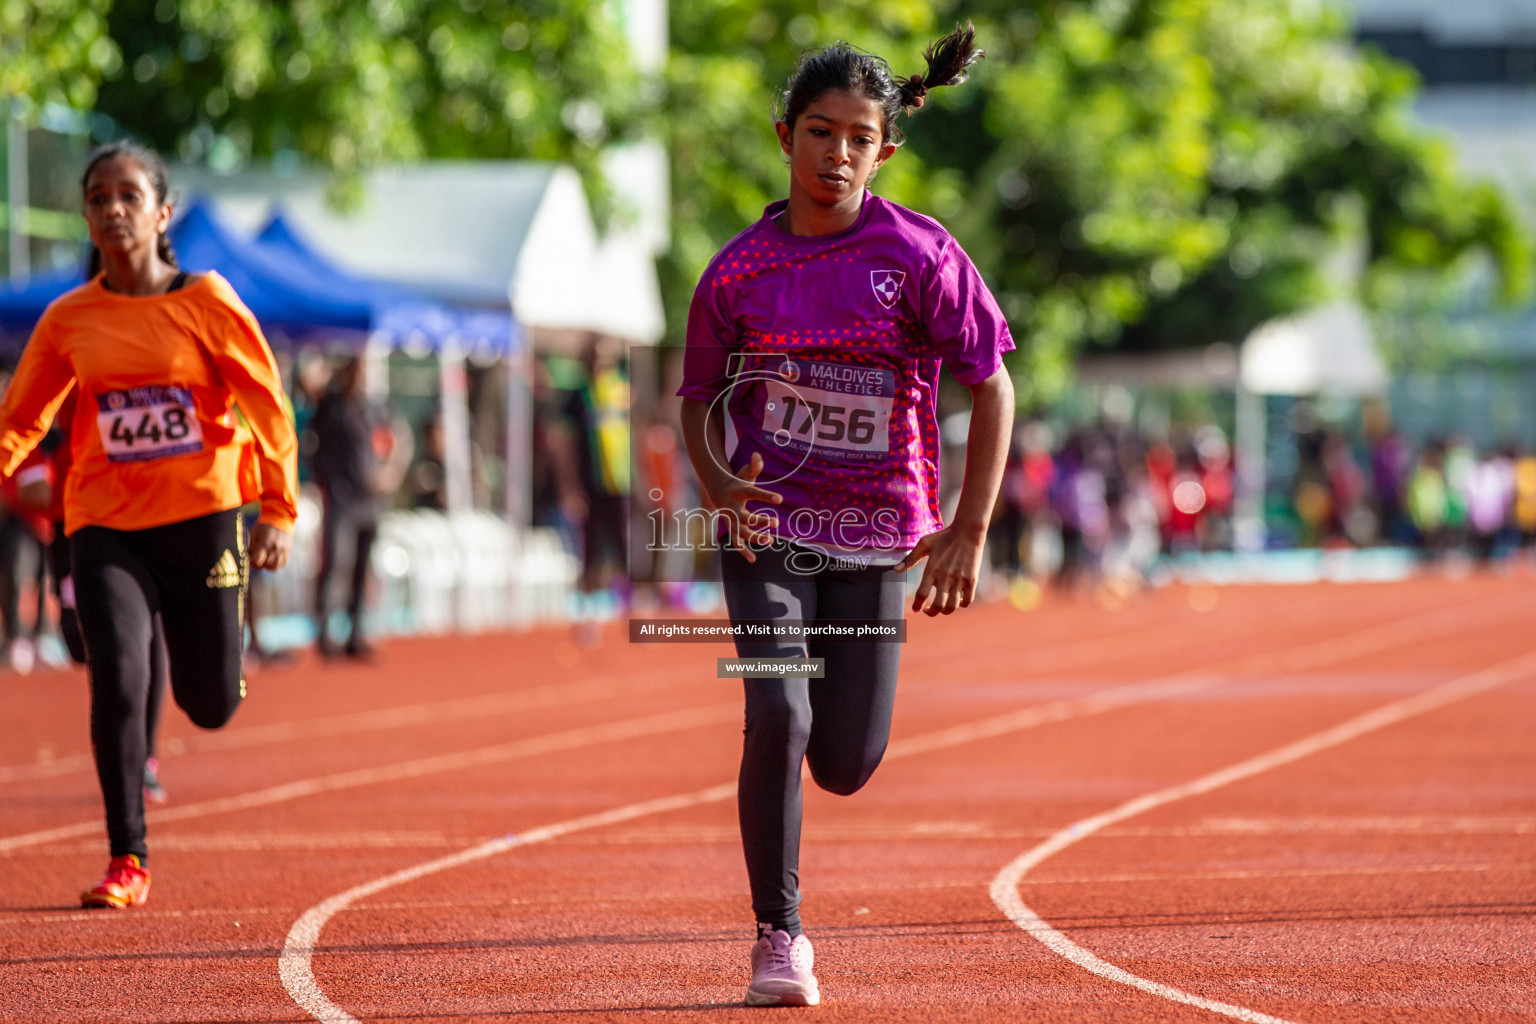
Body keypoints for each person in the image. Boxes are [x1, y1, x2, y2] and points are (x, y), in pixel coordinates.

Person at [677, 24, 1012, 1007]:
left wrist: (968, 529)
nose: (836, 154)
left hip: (874, 539)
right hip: (768, 526)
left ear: (885, 150)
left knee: (848, 761)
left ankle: (824, 763)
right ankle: (778, 936)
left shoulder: (919, 256)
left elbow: (992, 385)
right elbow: (696, 400)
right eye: (818, 133)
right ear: (785, 137)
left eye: (857, 138)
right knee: (776, 711)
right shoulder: (738, 272)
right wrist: (717, 485)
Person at [0, 141, 297, 908]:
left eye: (129, 196)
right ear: (88, 216)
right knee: (118, 677)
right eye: (98, 197)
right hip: (105, 523)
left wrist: (277, 508)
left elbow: (267, 407)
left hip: (203, 517)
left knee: (210, 704)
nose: (112, 210)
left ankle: (212, 655)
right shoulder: (70, 319)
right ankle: (127, 857)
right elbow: (21, 420)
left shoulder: (209, 303)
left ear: (162, 213)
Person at [308, 356, 386, 659]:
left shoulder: (374, 407)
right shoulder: (331, 405)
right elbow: (311, 442)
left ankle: (355, 634)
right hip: (341, 497)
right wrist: (322, 479)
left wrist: (390, 472)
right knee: (336, 564)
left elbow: (395, 440)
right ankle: (326, 635)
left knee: (362, 568)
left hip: (370, 500)